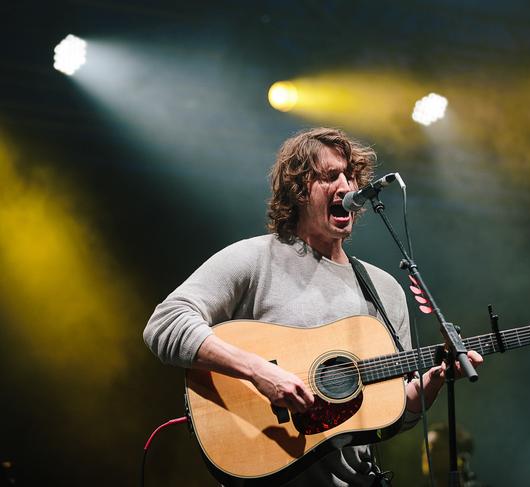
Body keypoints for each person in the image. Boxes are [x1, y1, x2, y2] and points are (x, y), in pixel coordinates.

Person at [143, 127, 482, 486]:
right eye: (328, 176)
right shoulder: (256, 258)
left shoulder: (384, 290)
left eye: (351, 175)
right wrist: (261, 373)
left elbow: (395, 417)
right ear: (299, 190)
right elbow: (165, 322)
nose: (347, 186)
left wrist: (431, 383)